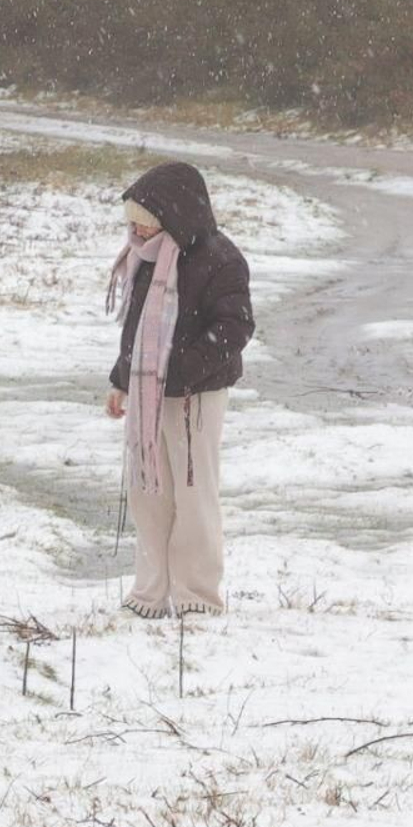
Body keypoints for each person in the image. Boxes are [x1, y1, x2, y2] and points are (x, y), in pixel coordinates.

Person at [106, 161, 254, 618]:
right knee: (150, 492)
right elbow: (137, 328)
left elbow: (236, 325)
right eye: (130, 220)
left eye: (142, 220)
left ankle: (197, 594)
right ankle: (150, 590)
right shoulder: (146, 258)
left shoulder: (221, 259)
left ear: (173, 215)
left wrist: (184, 371)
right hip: (150, 397)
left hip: (197, 396)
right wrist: (120, 378)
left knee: (193, 494)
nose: (134, 229)